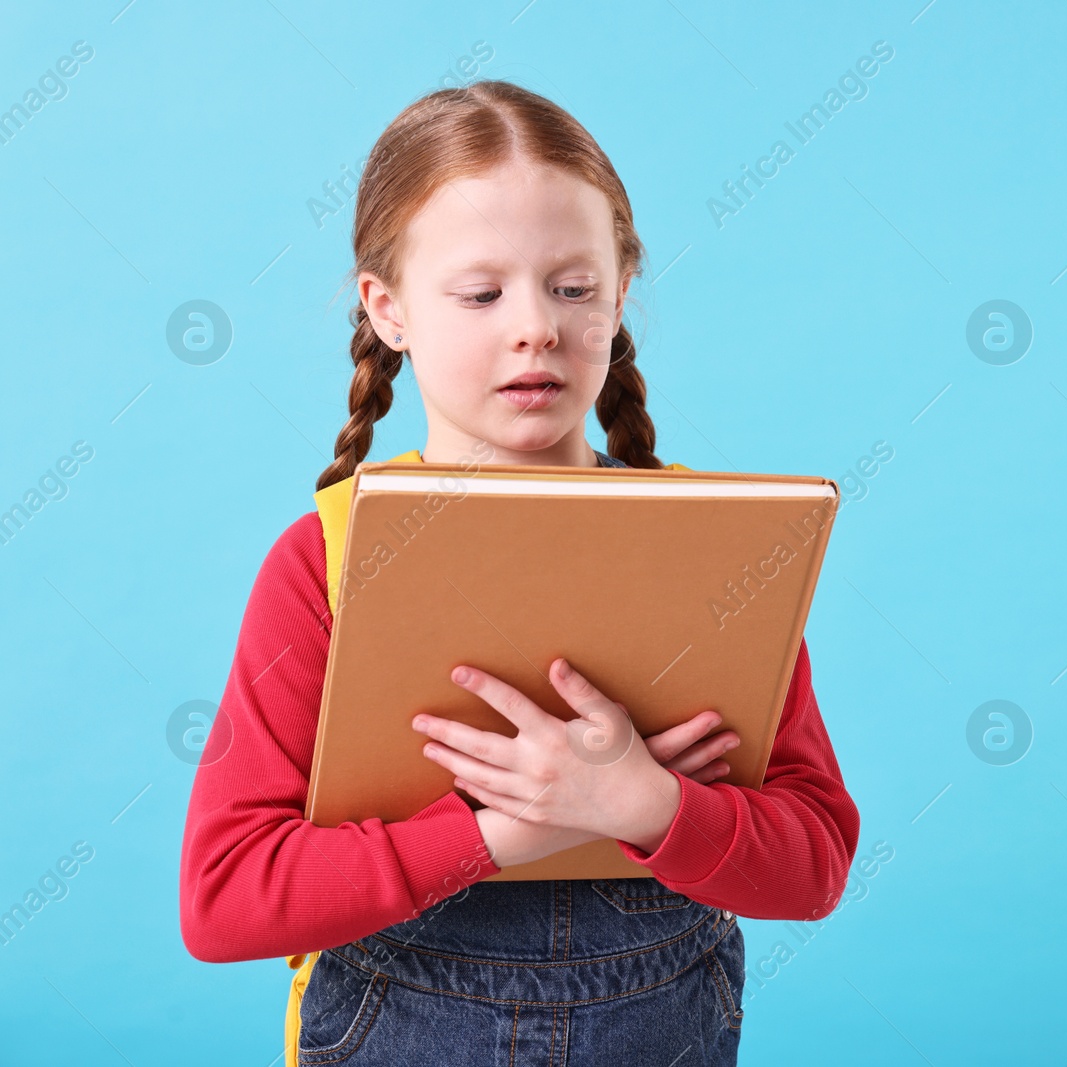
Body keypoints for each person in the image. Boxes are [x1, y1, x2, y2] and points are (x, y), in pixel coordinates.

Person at [177, 79, 860, 1066]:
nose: (535, 326)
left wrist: (644, 803)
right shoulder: (320, 559)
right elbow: (225, 896)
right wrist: (505, 828)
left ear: (620, 289)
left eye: (571, 287)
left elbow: (813, 868)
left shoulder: (715, 542)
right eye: (481, 292)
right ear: (390, 306)